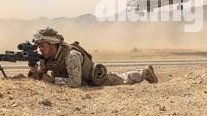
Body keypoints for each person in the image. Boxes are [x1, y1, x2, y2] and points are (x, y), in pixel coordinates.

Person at [28, 28, 158, 87]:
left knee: (122, 79)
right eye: (39, 46)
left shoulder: (71, 55)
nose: (40, 49)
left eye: (42, 46)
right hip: (83, 82)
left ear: (52, 44)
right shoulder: (47, 57)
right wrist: (34, 72)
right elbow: (40, 77)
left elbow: (75, 83)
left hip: (94, 78)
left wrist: (52, 80)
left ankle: (145, 73)